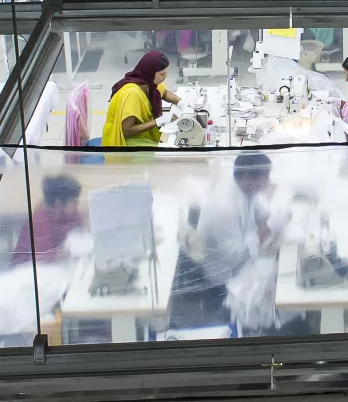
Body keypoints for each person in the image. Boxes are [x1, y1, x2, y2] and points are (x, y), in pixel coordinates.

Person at [194, 153, 288, 334]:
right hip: (226, 277)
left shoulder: (246, 190)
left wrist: (275, 221)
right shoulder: (224, 206)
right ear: (246, 177)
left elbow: (263, 214)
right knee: (282, 282)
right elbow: (233, 256)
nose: (268, 183)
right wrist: (262, 234)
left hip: (244, 259)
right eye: (264, 178)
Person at [102, 51, 181, 147]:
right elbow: (127, 130)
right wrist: (158, 121)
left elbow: (164, 93)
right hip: (123, 140)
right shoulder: (132, 94)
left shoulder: (148, 83)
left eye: (165, 73)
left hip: (137, 134)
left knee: (169, 142)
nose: (165, 77)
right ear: (150, 72)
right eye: (162, 74)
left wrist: (180, 101)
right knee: (165, 154)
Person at [12, 175, 84, 264]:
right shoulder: (40, 223)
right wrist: (63, 254)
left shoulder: (60, 213)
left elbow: (80, 221)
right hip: (26, 271)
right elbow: (42, 260)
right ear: (59, 203)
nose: (77, 205)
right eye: (74, 201)